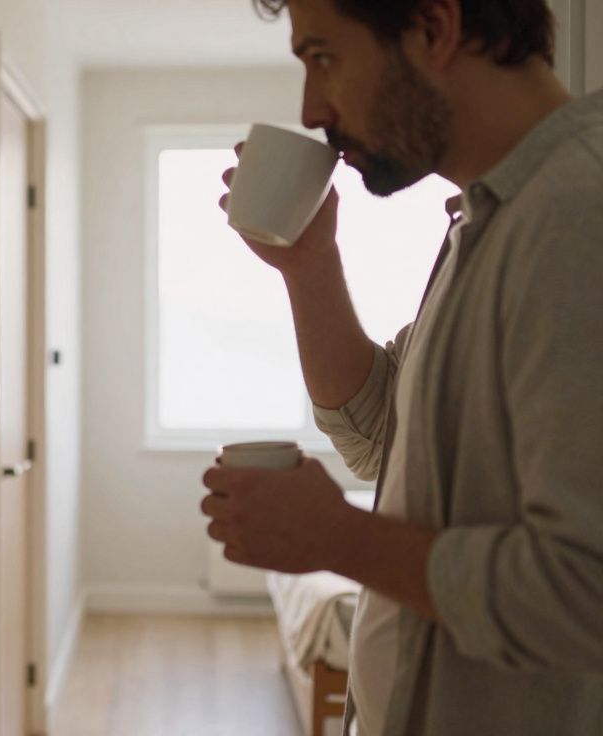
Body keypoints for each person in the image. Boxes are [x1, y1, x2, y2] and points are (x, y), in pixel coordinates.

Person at [197, 0, 603, 734]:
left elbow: (584, 589)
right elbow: (385, 436)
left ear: (434, 27)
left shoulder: (578, 216)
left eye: (323, 57)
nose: (312, 107)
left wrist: (339, 540)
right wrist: (309, 265)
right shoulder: (489, 221)